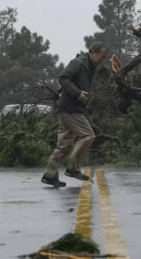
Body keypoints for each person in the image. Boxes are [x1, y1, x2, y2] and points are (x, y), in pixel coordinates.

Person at [41, 42, 108, 187]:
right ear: (93, 53)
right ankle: (73, 168)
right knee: (88, 135)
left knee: (63, 145)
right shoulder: (78, 63)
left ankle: (50, 175)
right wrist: (77, 93)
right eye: (102, 56)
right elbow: (63, 78)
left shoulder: (90, 66)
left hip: (71, 108)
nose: (103, 60)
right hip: (70, 108)